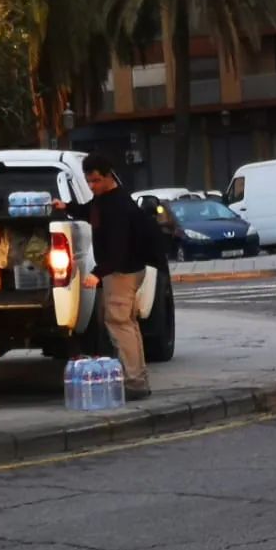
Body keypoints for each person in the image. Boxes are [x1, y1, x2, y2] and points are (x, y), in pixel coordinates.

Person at [81, 153, 169, 401]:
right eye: (89, 182)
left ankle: (134, 382)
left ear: (109, 176)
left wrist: (97, 274)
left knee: (120, 325)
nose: (92, 186)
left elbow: (118, 250)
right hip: (126, 270)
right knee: (127, 324)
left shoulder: (118, 205)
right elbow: (90, 211)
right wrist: (66, 207)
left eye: (96, 180)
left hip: (123, 273)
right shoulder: (105, 200)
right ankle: (137, 379)